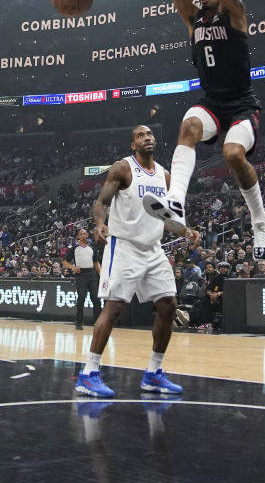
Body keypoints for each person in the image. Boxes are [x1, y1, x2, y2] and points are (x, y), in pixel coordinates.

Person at [143, 0, 265, 263]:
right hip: (213, 102)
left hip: (242, 104)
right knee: (187, 127)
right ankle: (175, 203)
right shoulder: (193, 19)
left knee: (233, 154)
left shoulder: (235, 13)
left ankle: (260, 221)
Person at [75, 126, 200, 398]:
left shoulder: (165, 176)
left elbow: (168, 217)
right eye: (141, 135)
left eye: (151, 134)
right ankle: (88, 374)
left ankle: (154, 373)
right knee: (114, 307)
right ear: (133, 144)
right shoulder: (123, 168)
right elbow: (102, 201)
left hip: (153, 248)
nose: (148, 138)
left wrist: (186, 230)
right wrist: (99, 223)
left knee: (168, 305)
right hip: (124, 246)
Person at [64, 228, 102, 330]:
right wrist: (72, 267)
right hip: (81, 274)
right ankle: (79, 322)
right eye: (82, 234)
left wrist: (102, 275)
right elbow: (65, 262)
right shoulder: (74, 249)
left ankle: (98, 322)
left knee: (96, 299)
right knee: (81, 298)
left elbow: (96, 263)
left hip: (92, 273)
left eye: (85, 233)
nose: (84, 235)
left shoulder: (92, 248)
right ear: (78, 237)